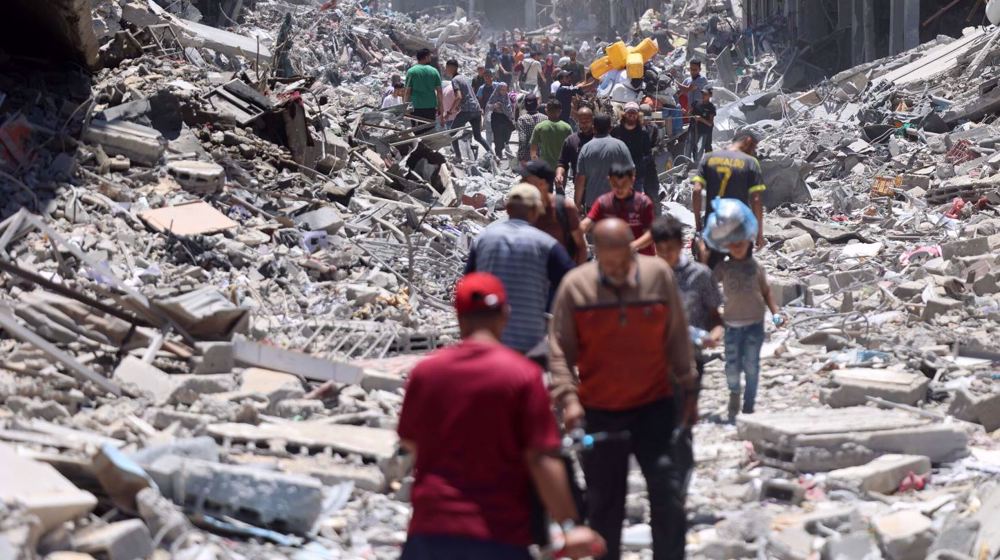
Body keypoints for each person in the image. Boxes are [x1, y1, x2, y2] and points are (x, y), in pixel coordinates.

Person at [398, 272, 605, 560]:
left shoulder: (425, 373)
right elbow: (541, 458)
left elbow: (409, 442)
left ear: (458, 317)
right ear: (505, 316)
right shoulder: (522, 376)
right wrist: (570, 526)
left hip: (429, 534)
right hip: (498, 536)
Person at [549, 218, 695, 560]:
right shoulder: (576, 286)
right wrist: (569, 400)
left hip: (655, 404)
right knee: (603, 505)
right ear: (597, 255)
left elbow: (677, 334)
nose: (618, 270)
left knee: (668, 494)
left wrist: (689, 387)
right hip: (600, 410)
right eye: (609, 263)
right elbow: (559, 349)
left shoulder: (658, 275)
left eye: (623, 261)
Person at [652, 215, 723, 480]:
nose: (665, 255)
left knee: (682, 424)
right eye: (660, 250)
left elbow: (716, 317)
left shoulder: (700, 276)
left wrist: (714, 335)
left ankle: (679, 482)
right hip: (655, 363)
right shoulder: (647, 275)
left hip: (691, 363)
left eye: (669, 249)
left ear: (681, 245)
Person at [465, 183, 575, 353]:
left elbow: (466, 287)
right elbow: (572, 285)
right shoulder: (546, 244)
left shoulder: (483, 239)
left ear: (507, 209)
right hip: (529, 344)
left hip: (489, 342)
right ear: (535, 211)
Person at [712, 237, 783, 421]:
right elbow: (708, 282)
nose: (736, 247)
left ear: (749, 244)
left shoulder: (755, 267)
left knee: (752, 366)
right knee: (732, 367)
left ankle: (749, 405)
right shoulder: (724, 267)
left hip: (754, 325)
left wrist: (776, 314)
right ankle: (734, 393)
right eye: (732, 243)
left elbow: (767, 292)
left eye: (740, 242)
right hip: (731, 326)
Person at [691, 128, 767, 268]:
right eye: (754, 147)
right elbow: (756, 200)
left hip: (714, 225)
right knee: (742, 274)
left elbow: (696, 191)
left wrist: (698, 225)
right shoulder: (750, 162)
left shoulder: (708, 157)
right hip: (740, 227)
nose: (754, 151)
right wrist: (759, 233)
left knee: (709, 274)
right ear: (747, 141)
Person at [580, 162, 655, 256]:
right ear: (609, 180)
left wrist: (632, 246)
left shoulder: (643, 203)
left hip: (643, 259)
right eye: (615, 184)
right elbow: (586, 224)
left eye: (624, 183)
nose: (619, 188)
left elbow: (650, 234)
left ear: (632, 180)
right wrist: (577, 235)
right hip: (614, 261)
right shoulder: (603, 202)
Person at [521, 160, 587, 265]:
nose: (521, 184)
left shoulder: (564, 208)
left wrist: (575, 277)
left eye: (525, 181)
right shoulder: (522, 209)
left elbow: (581, 247)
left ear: (542, 184)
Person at [574, 114, 633, 211]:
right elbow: (631, 172)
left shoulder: (586, 148)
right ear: (610, 128)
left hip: (593, 204)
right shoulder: (621, 146)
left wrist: (577, 203)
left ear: (594, 128)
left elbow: (580, 179)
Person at [611, 102, 657, 211]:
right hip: (619, 173)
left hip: (637, 174)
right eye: (629, 112)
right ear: (624, 114)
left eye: (634, 112)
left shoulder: (643, 133)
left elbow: (648, 154)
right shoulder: (616, 131)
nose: (631, 115)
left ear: (638, 115)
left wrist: (638, 165)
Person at [445, 60, 492, 163]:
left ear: (452, 68)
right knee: (478, 136)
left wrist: (449, 112)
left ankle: (458, 156)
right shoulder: (464, 78)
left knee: (452, 134)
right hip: (476, 109)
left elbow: (458, 97)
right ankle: (493, 155)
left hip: (468, 110)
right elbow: (469, 95)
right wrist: (458, 107)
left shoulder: (455, 80)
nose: (446, 70)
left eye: (447, 67)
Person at [555, 106, 594, 193]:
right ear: (577, 121)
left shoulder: (599, 139)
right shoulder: (571, 140)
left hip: (597, 187)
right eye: (581, 122)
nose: (584, 125)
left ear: (592, 120)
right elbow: (562, 162)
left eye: (587, 121)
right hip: (579, 186)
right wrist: (559, 174)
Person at [404, 48, 444, 125]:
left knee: (416, 131)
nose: (430, 58)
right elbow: (439, 92)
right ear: (425, 57)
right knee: (428, 131)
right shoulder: (434, 71)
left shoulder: (411, 71)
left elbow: (407, 92)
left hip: (416, 107)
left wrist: (405, 108)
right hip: (431, 107)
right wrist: (441, 110)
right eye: (429, 56)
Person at [530, 99, 573, 170]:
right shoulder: (567, 127)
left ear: (546, 111)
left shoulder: (539, 127)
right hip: (561, 167)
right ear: (560, 111)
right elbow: (571, 148)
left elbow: (533, 150)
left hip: (544, 167)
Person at [486, 82, 517, 158]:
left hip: (506, 118)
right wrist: (494, 106)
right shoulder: (494, 96)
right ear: (498, 90)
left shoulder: (507, 97)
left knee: (507, 135)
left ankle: (502, 148)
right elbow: (488, 106)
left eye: (505, 90)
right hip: (496, 118)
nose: (503, 91)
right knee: (498, 138)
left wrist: (511, 116)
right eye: (502, 90)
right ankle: (498, 154)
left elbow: (509, 108)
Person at [517, 94, 547, 166]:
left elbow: (522, 139)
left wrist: (520, 157)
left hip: (528, 156)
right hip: (543, 155)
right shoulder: (545, 118)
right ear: (536, 105)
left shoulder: (522, 119)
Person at [688, 87, 716, 161]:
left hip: (705, 131)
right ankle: (695, 163)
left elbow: (710, 123)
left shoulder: (711, 107)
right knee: (694, 146)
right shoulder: (695, 103)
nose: (703, 95)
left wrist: (700, 119)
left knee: (706, 147)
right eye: (702, 93)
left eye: (705, 94)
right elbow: (689, 113)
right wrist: (686, 112)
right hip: (694, 129)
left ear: (710, 95)